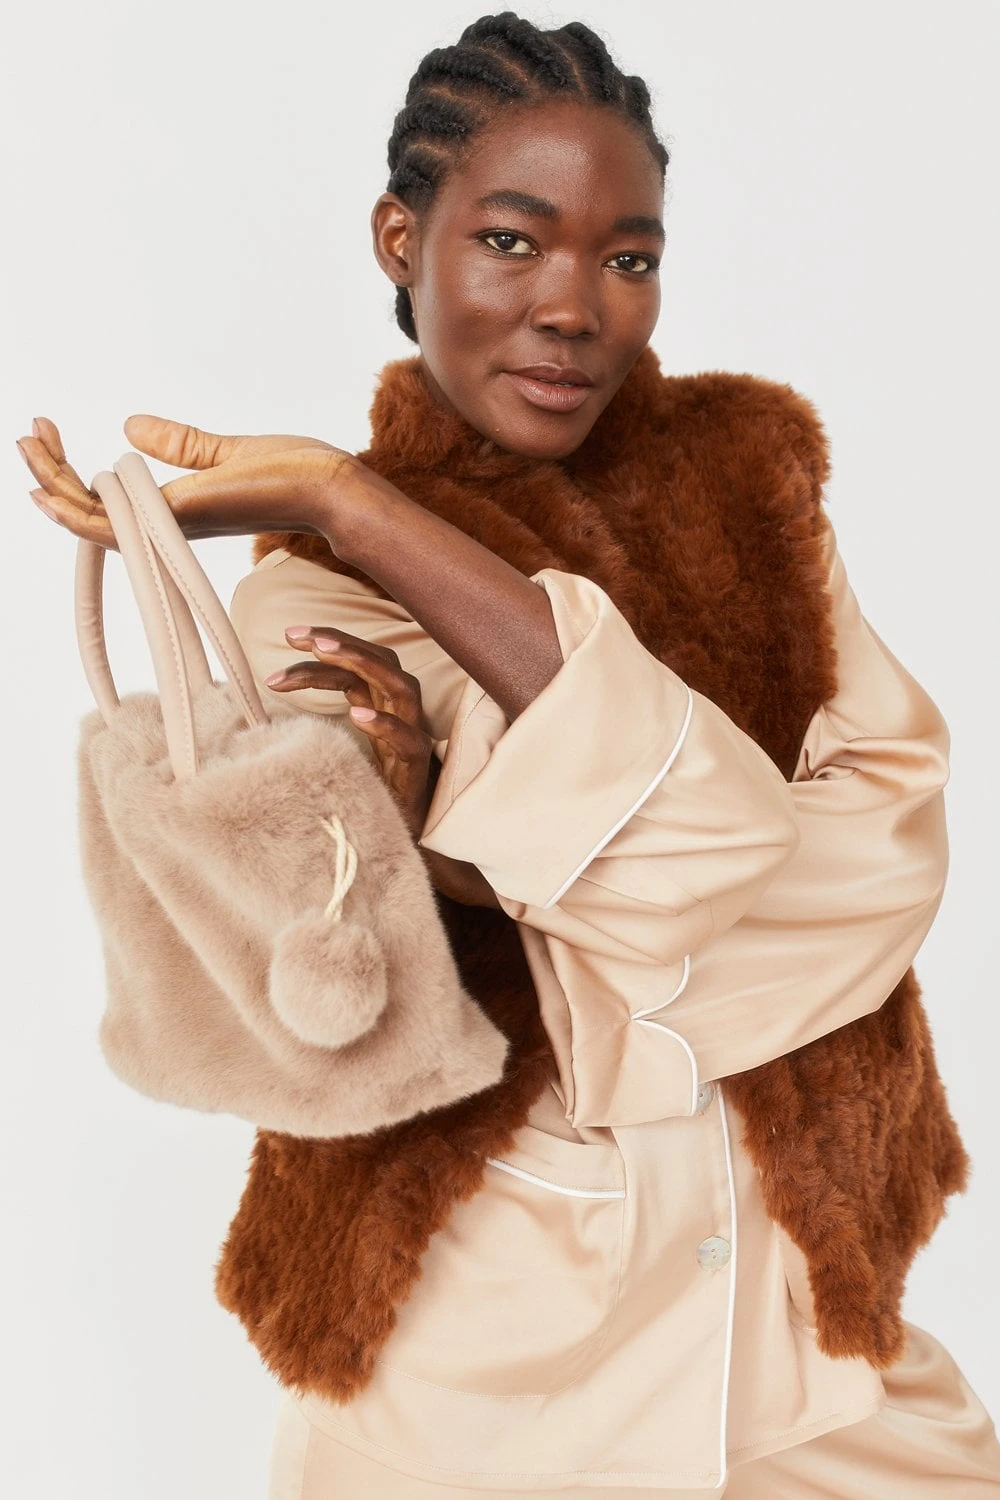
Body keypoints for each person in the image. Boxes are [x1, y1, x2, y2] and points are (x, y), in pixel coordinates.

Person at [16, 11, 1000, 1498]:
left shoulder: (757, 487)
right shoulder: (308, 604)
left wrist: (349, 503)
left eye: (628, 257)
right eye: (511, 242)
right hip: (488, 1354)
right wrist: (358, 532)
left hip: (810, 1334)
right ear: (399, 239)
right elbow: (714, 846)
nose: (574, 307)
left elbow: (893, 846)